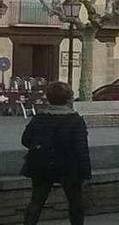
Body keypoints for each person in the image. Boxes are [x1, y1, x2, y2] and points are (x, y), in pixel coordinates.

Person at [21, 81, 91, 225]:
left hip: (41, 164)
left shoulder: (40, 117)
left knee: (36, 202)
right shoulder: (75, 120)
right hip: (68, 166)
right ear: (69, 99)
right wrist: (85, 172)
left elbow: (26, 140)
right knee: (75, 204)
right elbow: (81, 149)